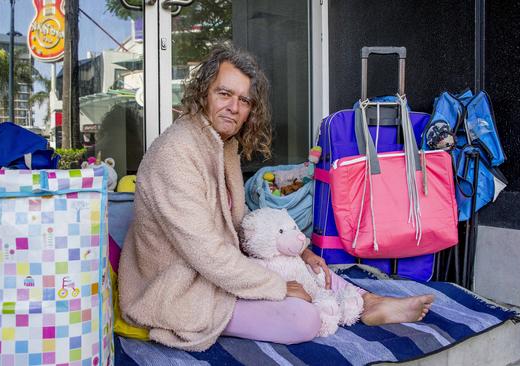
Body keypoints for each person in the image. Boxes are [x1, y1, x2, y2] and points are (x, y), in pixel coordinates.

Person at [118, 44, 434, 352]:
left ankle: (368, 303)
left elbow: (237, 227)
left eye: (244, 100)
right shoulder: (175, 154)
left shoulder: (220, 145)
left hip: (212, 275)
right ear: (203, 94)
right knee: (303, 318)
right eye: (224, 93)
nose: (234, 107)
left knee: (306, 270)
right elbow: (208, 253)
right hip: (176, 293)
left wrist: (300, 253)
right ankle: (350, 304)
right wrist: (277, 286)